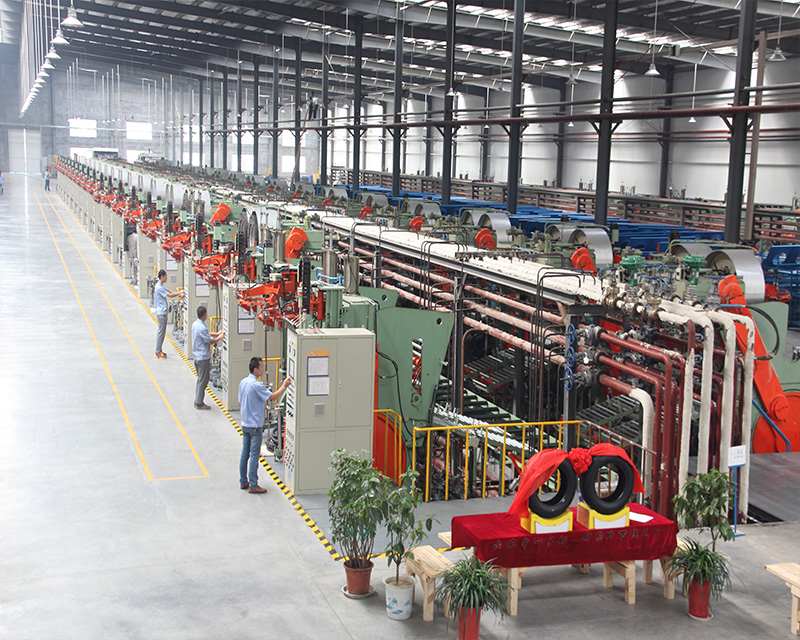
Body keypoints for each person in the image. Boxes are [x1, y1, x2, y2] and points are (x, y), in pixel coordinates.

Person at [239, 357, 291, 493]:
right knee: (254, 455)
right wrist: (284, 386)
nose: (263, 369)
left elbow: (240, 402)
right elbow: (273, 397)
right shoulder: (257, 385)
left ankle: (243, 481)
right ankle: (253, 485)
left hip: (245, 424)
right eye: (261, 367)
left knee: (245, 453)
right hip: (255, 426)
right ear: (256, 370)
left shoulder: (243, 382)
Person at [191, 305, 225, 409]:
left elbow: (206, 333)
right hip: (202, 358)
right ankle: (199, 403)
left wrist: (216, 333)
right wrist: (220, 337)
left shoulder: (196, 324)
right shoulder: (201, 327)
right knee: (203, 381)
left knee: (200, 380)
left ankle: (197, 400)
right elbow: (209, 341)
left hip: (197, 356)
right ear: (205, 314)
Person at [153, 269, 185, 358]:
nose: (167, 278)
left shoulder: (159, 286)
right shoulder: (159, 287)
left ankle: (159, 350)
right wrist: (179, 293)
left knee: (162, 332)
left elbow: (169, 291)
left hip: (162, 312)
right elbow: (169, 295)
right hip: (161, 313)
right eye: (166, 276)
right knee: (161, 332)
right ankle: (157, 351)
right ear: (162, 276)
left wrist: (179, 293)